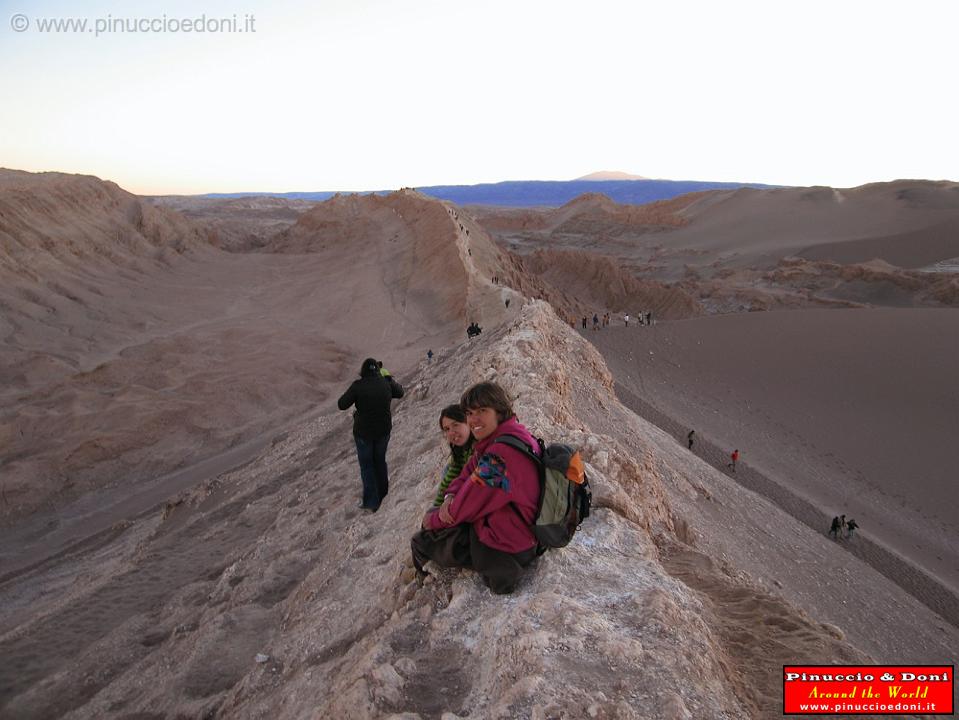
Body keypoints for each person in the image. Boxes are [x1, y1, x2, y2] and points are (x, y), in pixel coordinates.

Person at [411, 381, 541, 594]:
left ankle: (425, 587)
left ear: (499, 411)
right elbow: (467, 471)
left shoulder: (499, 457)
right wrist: (449, 495)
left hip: (507, 544)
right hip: (516, 527)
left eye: (482, 411)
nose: (473, 420)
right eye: (470, 413)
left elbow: (464, 507)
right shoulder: (508, 436)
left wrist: (433, 520)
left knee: (421, 540)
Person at [337, 358, 404, 512]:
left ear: (363, 372)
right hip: (383, 431)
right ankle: (383, 494)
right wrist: (388, 380)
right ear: (378, 371)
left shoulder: (358, 386)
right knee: (380, 461)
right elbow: (400, 392)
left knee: (367, 466)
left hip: (363, 434)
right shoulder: (385, 383)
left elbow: (341, 404)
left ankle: (372, 502)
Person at [432, 404, 475, 507]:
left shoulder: (477, 448)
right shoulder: (460, 449)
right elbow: (448, 479)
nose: (451, 432)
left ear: (468, 422)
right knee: (447, 469)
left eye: (456, 425)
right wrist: (436, 507)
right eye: (447, 429)